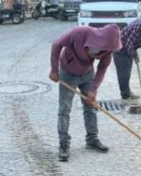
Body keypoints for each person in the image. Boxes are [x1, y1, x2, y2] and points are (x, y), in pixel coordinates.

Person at [49, 24, 122, 161]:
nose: (106, 53)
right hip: (68, 74)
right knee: (64, 109)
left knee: (90, 106)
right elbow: (56, 45)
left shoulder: (108, 51)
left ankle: (92, 139)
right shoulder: (79, 33)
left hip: (88, 74)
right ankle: (64, 144)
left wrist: (93, 90)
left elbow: (102, 69)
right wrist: (54, 70)